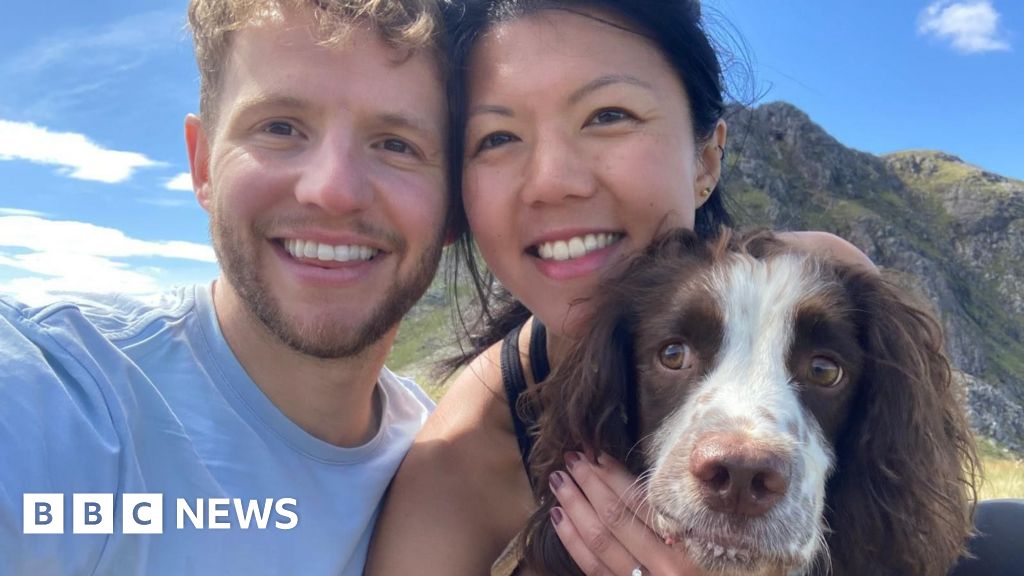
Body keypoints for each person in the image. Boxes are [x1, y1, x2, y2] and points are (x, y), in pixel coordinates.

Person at [368, 0, 1024, 575]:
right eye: (498, 136)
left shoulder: (828, 281)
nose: (553, 182)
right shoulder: (458, 462)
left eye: (608, 114)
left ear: (707, 157)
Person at [0, 0, 449, 574]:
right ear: (204, 165)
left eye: (396, 144)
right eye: (280, 128)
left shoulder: (443, 459)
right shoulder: (65, 394)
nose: (333, 191)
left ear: (455, 206)